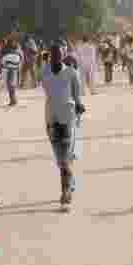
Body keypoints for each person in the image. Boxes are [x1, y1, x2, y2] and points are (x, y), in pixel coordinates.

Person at [41, 44, 86, 212]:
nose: (55, 58)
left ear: (63, 56)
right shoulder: (44, 72)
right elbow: (47, 89)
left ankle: (65, 194)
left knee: (64, 157)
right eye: (52, 56)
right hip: (51, 119)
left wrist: (79, 106)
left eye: (58, 55)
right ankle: (70, 182)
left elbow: (77, 95)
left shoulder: (71, 73)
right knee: (60, 157)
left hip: (67, 118)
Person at [1, 41, 22, 106]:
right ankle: (13, 99)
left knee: (10, 86)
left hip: (9, 71)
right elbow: (20, 62)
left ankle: (12, 100)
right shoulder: (18, 54)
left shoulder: (7, 55)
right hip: (16, 70)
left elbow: (3, 63)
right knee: (13, 85)